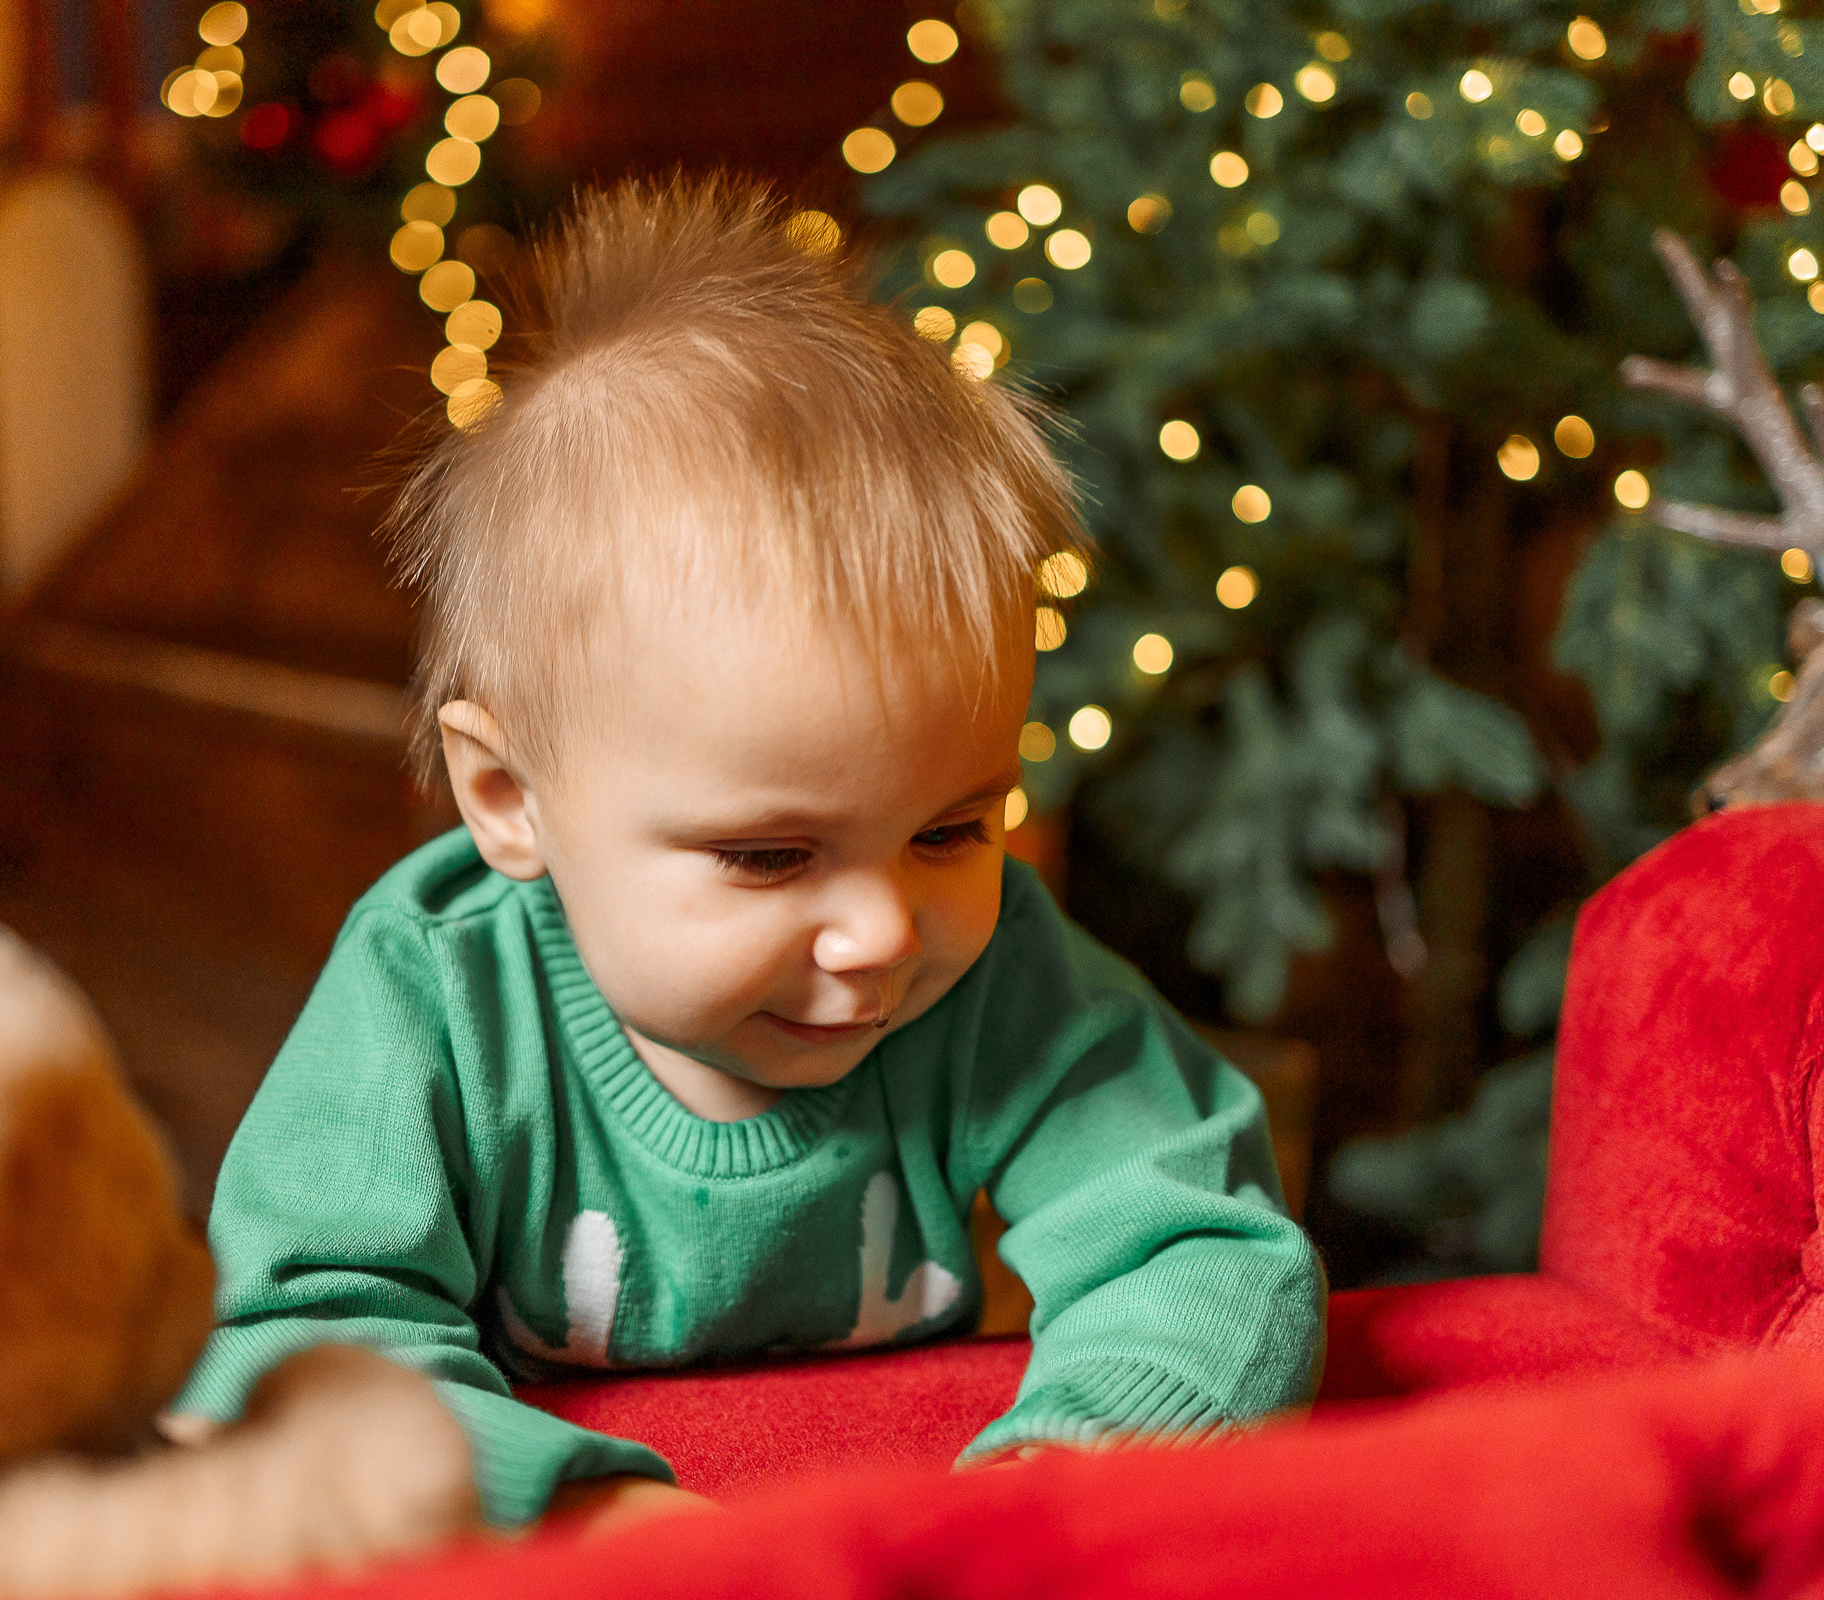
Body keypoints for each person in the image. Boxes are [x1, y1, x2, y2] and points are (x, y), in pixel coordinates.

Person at [167, 176, 1324, 1532]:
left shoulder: (997, 968)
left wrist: (1069, 1484)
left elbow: (1204, 1244)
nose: (884, 931)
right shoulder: (437, 1001)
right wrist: (592, 1522)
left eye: (952, 828)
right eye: (773, 857)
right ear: (507, 798)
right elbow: (299, 1348)